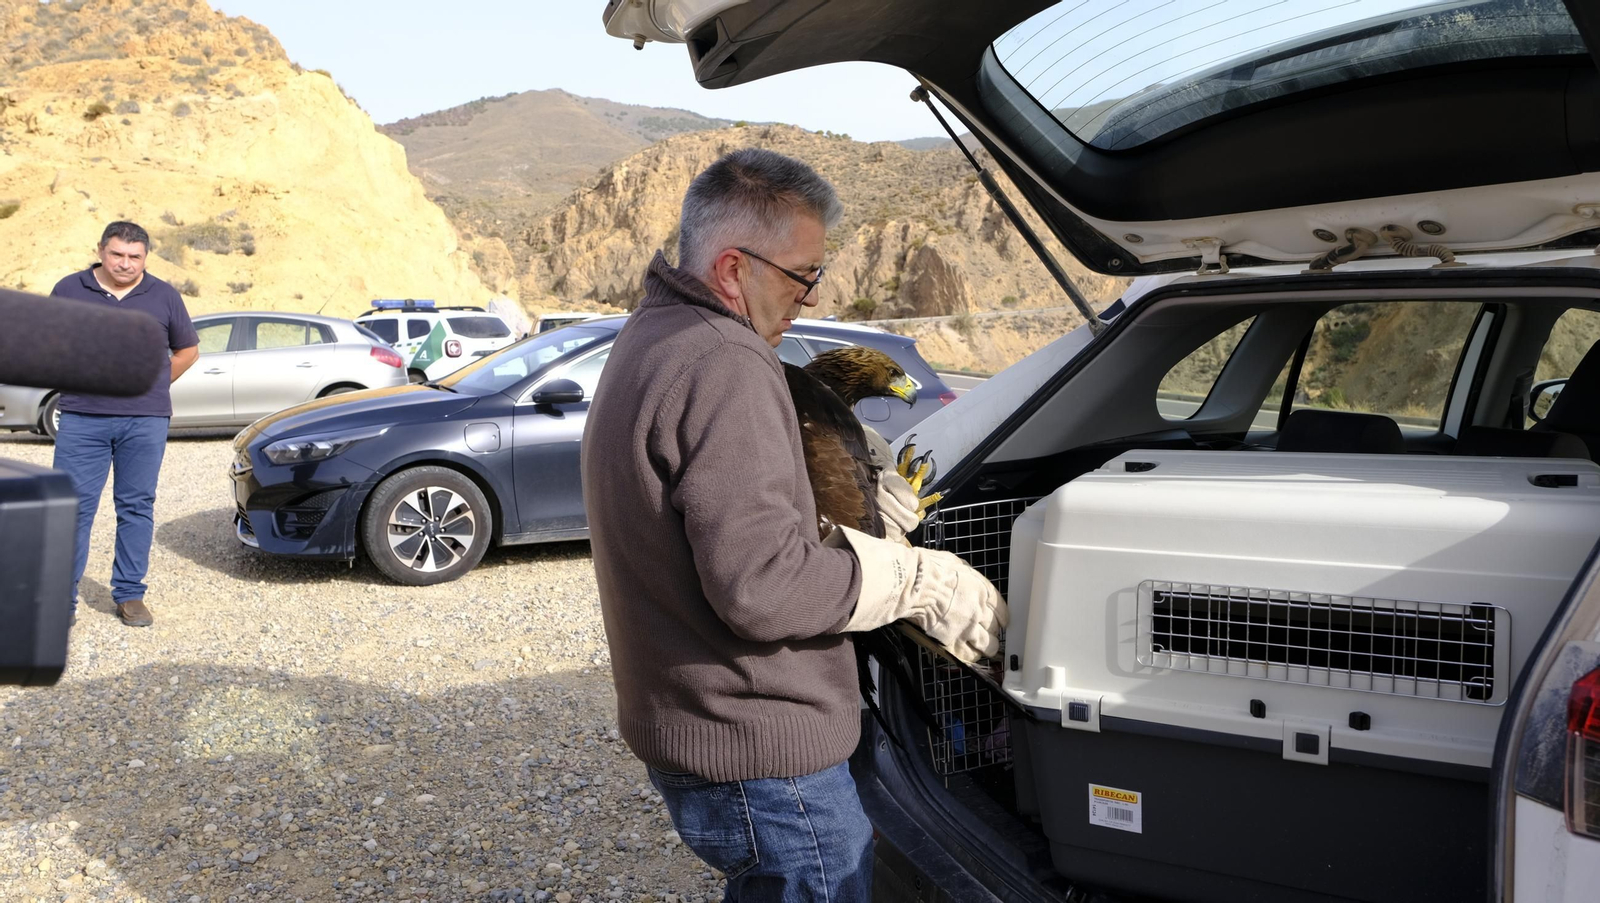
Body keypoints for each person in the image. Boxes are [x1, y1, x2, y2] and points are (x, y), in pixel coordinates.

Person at [581, 149, 1006, 901]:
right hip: (763, 754)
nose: (811, 297)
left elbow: (713, 520)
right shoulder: (727, 360)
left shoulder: (655, 333)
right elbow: (764, 588)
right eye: (801, 274)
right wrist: (914, 578)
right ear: (732, 269)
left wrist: (839, 512)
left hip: (703, 727)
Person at [50, 221, 199, 627]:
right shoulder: (69, 289)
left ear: (145, 257)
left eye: (135, 256)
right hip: (83, 419)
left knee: (136, 507)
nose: (125, 263)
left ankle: (130, 593)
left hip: (145, 420)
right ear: (101, 250)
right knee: (71, 509)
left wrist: (152, 383)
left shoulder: (164, 295)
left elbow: (188, 350)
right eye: (117, 254)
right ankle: (60, 599)